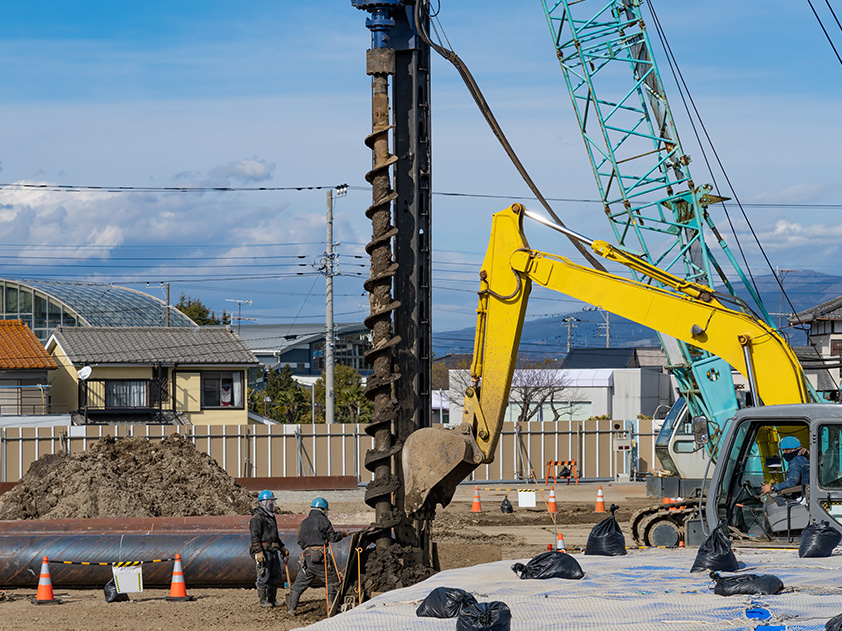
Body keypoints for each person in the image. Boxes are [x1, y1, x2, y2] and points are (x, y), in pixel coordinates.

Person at [288, 497, 348, 616]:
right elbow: (333, 538)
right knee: (332, 581)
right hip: (321, 558)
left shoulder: (304, 523)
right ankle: (332, 608)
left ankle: (291, 609)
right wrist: (343, 534)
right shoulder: (324, 521)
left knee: (299, 584)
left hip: (307, 558)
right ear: (323, 509)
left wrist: (308, 551)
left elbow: (299, 541)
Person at [249, 490, 289, 608]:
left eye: (273, 501)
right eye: (270, 501)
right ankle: (263, 601)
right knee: (263, 576)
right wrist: (258, 552)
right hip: (264, 551)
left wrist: (282, 548)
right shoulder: (257, 518)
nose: (272, 503)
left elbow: (275, 536)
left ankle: (272, 600)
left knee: (275, 576)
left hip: (273, 551)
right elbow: (255, 537)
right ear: (263, 502)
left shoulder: (271, 517)